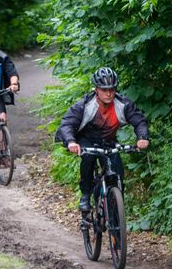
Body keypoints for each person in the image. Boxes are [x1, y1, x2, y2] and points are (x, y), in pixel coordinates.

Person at [55, 67, 149, 212]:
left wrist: (142, 137)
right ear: (96, 89)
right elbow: (67, 123)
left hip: (108, 140)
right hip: (87, 139)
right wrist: (71, 141)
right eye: (104, 90)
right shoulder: (85, 105)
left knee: (117, 170)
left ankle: (116, 207)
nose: (109, 93)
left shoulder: (123, 104)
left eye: (112, 89)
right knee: (88, 159)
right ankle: (86, 195)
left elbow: (139, 121)